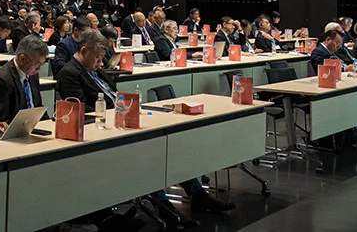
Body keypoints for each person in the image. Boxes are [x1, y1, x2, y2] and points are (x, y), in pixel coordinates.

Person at [57, 29, 233, 216]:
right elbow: (82, 112)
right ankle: (165, 208)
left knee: (168, 147)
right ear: (84, 51)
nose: (101, 63)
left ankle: (197, 194)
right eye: (98, 58)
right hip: (101, 132)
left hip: (123, 121)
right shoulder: (69, 73)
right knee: (147, 154)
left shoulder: (95, 69)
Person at [0, 35, 49, 122]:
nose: (39, 69)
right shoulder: (2, 80)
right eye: (37, 65)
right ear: (22, 58)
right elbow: (0, 120)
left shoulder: (32, 75)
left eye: (42, 65)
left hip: (34, 127)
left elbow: (38, 106)